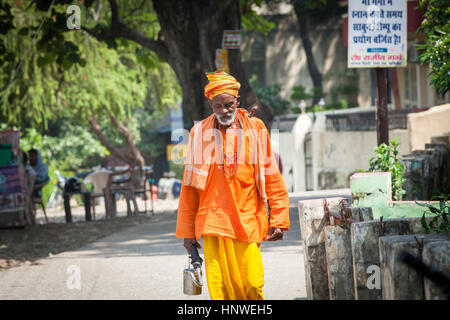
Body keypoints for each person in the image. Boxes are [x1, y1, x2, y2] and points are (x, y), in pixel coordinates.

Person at [176, 71, 289, 300]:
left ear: (238, 101)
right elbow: (189, 188)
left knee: (252, 284)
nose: (224, 110)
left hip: (248, 220)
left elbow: (272, 177)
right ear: (211, 104)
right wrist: (188, 235)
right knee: (221, 290)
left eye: (228, 104)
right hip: (212, 223)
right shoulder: (199, 133)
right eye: (218, 106)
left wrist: (278, 219)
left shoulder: (256, 129)